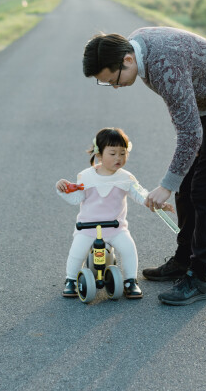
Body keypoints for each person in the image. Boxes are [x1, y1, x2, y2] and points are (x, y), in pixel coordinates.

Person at [82, 27, 206, 306]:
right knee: (185, 187)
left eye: (113, 80)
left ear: (127, 60)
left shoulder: (164, 68)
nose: (115, 87)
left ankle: (199, 277)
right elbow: (186, 123)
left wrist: (165, 186)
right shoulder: (138, 46)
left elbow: (190, 133)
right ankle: (183, 260)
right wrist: (175, 182)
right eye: (107, 83)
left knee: (205, 192)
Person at [55, 127, 171, 299]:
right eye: (113, 153)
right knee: (77, 251)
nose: (119, 158)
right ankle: (71, 279)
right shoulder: (86, 176)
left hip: (115, 228)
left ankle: (130, 281)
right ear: (99, 155)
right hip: (87, 228)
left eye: (123, 153)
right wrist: (63, 189)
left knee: (129, 248)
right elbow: (75, 198)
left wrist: (156, 202)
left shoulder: (126, 178)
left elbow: (141, 194)